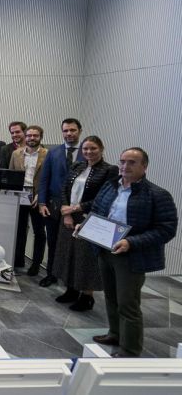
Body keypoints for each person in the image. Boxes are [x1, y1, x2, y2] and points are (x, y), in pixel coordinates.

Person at [89, 147, 177, 357]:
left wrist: (131, 242)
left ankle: (130, 349)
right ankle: (115, 333)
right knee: (111, 297)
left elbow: (166, 229)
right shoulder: (111, 187)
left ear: (144, 166)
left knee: (128, 303)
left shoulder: (157, 194)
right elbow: (97, 210)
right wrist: (85, 226)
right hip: (105, 250)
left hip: (132, 256)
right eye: (122, 161)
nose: (125, 166)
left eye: (131, 162)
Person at [52, 136, 117, 311]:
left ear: (101, 149)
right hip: (68, 217)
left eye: (93, 148)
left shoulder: (110, 170)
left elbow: (105, 197)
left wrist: (75, 209)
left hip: (90, 219)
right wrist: (66, 211)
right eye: (85, 149)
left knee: (85, 259)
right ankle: (71, 289)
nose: (88, 152)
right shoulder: (77, 166)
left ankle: (87, 296)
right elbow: (65, 188)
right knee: (67, 254)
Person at [37, 118, 84, 287]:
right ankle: (51, 274)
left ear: (79, 131)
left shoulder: (87, 152)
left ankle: (70, 278)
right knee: (53, 242)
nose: (69, 133)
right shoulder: (53, 152)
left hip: (78, 207)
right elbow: (44, 180)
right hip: (53, 206)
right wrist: (42, 203)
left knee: (73, 245)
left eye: (72, 130)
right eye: (65, 130)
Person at [9, 126, 48, 275]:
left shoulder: (48, 154)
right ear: (25, 137)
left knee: (39, 232)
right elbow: (11, 175)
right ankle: (18, 259)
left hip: (38, 198)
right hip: (20, 196)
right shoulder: (16, 153)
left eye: (35, 136)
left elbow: (48, 178)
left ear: (41, 137)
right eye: (29, 135)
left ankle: (36, 264)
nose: (32, 138)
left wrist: (41, 195)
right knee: (19, 230)